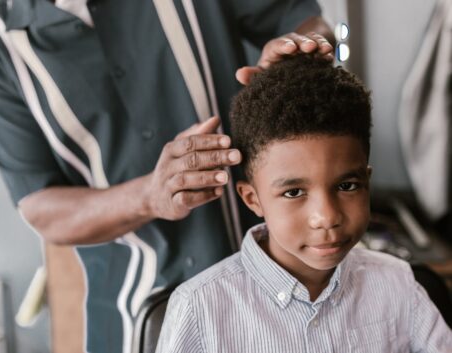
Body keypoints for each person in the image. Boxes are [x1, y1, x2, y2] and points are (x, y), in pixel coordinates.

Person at [0, 0, 335, 352]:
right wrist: (149, 195)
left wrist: (300, 58)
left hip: (281, 291)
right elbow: (40, 207)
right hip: (132, 321)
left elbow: (307, 23)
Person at [155, 55, 452, 353]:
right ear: (252, 199)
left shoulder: (396, 284)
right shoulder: (200, 308)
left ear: (367, 182)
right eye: (294, 192)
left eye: (347, 186)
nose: (327, 217)